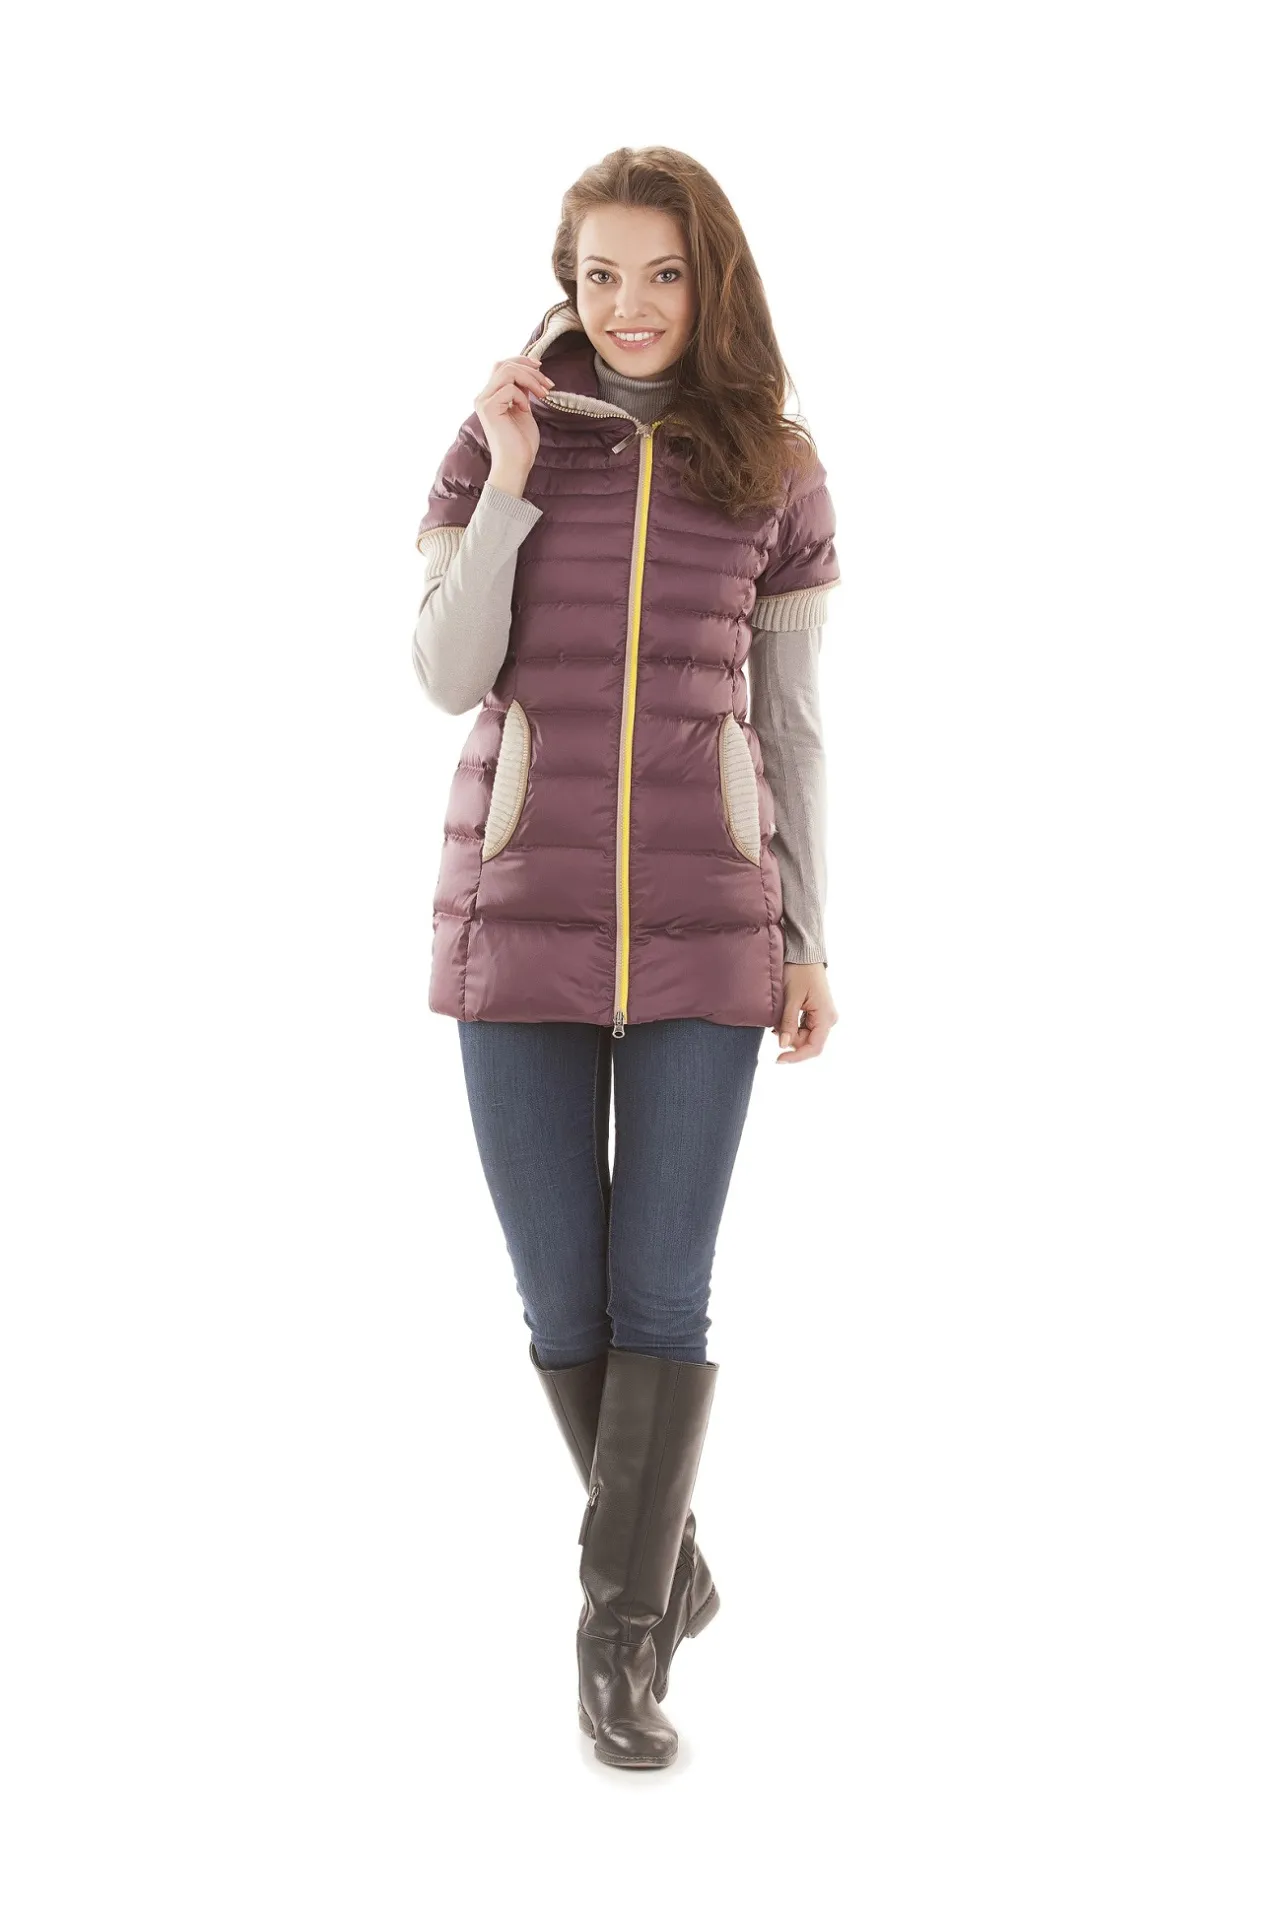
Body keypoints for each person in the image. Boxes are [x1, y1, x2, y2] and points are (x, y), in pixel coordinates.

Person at [410, 146, 841, 1768]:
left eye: (661, 273)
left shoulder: (776, 465)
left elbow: (792, 727)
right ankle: (664, 1554)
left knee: (661, 1287)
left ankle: (621, 1644)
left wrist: (807, 936)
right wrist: (512, 480)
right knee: (560, 1290)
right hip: (513, 916)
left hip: (710, 930)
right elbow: (447, 672)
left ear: (709, 280)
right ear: (566, 282)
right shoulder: (500, 434)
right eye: (600, 275)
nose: (630, 305)